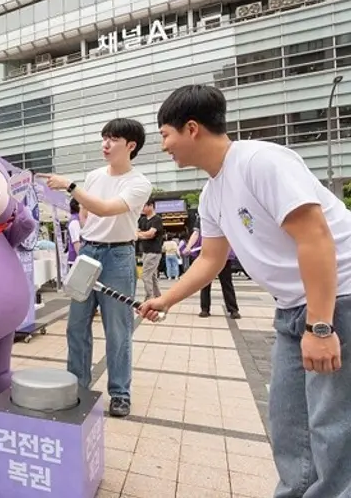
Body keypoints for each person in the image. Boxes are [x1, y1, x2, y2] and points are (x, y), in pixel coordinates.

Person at [140, 84, 351, 498]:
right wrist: (165, 298)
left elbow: (315, 237)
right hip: (293, 309)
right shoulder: (211, 192)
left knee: (332, 425)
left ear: (192, 128)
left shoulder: (260, 161)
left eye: (166, 135)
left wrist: (322, 327)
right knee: (289, 423)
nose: (164, 146)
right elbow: (210, 260)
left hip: (338, 299)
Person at [38, 118, 152, 417]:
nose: (105, 143)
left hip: (118, 258)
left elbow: (105, 208)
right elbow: (87, 212)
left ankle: (120, 394)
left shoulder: (139, 183)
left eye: (113, 139)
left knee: (118, 329)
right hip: (89, 253)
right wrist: (91, 234)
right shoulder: (94, 175)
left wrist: (69, 185)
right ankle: (77, 388)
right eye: (104, 137)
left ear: (131, 146)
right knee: (76, 325)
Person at [184, 213, 241, 319]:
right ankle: (205, 309)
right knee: (205, 283)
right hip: (208, 255)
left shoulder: (226, 214)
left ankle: (233, 310)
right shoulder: (202, 217)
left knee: (226, 283)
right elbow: (196, 233)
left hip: (224, 254)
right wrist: (188, 247)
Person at [137, 199, 164, 298]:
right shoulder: (142, 219)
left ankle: (149, 298)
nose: (142, 208)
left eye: (144, 206)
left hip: (154, 251)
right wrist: (142, 235)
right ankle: (158, 296)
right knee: (152, 276)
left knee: (146, 275)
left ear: (151, 206)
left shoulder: (157, 219)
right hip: (145, 251)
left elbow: (150, 234)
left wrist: (140, 234)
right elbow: (136, 232)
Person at [67, 199, 82, 268]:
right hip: (76, 260)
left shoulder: (77, 219)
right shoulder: (75, 221)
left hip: (77, 259)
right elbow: (76, 242)